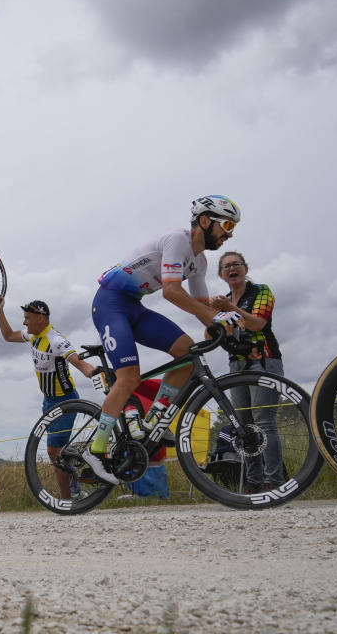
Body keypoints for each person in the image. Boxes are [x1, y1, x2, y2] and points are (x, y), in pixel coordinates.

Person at [85, 196, 241, 485]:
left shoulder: (200, 261)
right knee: (128, 377)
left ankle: (154, 420)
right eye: (227, 224)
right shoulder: (177, 240)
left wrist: (222, 329)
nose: (229, 233)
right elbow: (171, 291)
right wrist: (213, 318)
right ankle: (96, 450)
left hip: (133, 306)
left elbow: (201, 304)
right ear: (204, 221)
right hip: (110, 304)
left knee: (186, 352)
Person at [0, 297, 100, 499]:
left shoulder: (56, 340)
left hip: (65, 400)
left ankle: (68, 499)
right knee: (58, 453)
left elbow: (78, 362)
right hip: (48, 401)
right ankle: (74, 491)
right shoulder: (33, 336)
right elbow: (7, 336)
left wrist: (93, 372)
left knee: (54, 451)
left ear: (41, 318)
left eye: (27, 318)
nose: (24, 323)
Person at [211, 251, 285, 491]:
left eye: (236, 265)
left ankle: (273, 481)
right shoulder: (224, 299)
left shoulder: (261, 291)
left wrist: (228, 308)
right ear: (221, 274)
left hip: (264, 359)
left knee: (265, 422)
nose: (232, 269)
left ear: (245, 268)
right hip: (236, 364)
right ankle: (253, 482)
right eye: (226, 267)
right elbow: (212, 334)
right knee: (244, 426)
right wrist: (212, 315)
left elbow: (257, 324)